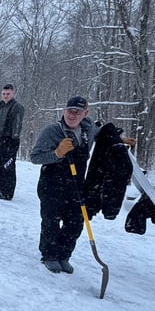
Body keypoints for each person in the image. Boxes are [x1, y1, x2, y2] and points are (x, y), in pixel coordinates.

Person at [29, 96, 133, 274]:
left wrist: (118, 141)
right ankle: (49, 255)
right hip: (51, 184)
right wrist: (57, 153)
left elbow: (102, 134)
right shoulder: (52, 131)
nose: (72, 115)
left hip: (76, 186)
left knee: (75, 222)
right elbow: (35, 157)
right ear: (64, 111)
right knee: (51, 222)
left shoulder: (88, 130)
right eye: (70, 111)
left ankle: (63, 255)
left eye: (77, 112)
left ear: (85, 113)